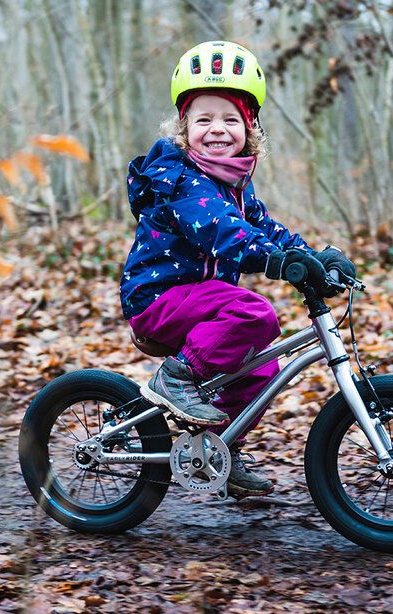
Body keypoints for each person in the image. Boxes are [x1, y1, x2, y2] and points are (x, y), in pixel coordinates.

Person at [119, 41, 356, 497]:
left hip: (199, 302)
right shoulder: (182, 179)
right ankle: (176, 377)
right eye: (203, 119)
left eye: (231, 119)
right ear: (184, 129)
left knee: (261, 367)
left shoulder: (237, 188)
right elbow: (220, 231)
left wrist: (312, 257)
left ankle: (220, 451)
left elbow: (267, 229)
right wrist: (273, 262)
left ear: (250, 129)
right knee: (255, 314)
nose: (217, 130)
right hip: (162, 299)